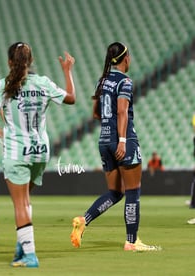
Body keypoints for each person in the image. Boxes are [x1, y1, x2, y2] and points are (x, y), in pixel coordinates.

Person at [0, 42, 76, 267]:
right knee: (26, 201)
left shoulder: (3, 85)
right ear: (31, 61)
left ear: (10, 61)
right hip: (40, 152)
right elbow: (71, 98)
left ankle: (30, 255)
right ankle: (21, 248)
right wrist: (67, 71)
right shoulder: (43, 83)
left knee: (20, 204)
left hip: (16, 151)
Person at [70, 42, 161, 252]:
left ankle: (84, 220)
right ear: (125, 58)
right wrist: (121, 139)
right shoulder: (125, 81)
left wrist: (110, 133)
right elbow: (122, 111)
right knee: (132, 192)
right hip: (124, 140)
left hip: (104, 141)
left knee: (115, 192)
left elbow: (95, 113)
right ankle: (131, 241)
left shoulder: (101, 81)